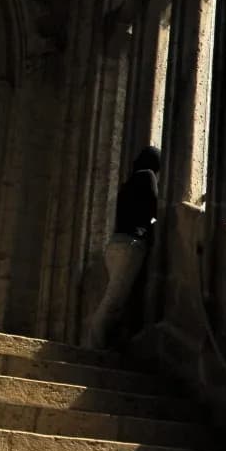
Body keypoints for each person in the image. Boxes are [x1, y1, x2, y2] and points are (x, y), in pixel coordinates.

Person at [84, 146, 162, 350]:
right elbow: (155, 207)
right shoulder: (148, 176)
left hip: (116, 244)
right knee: (114, 301)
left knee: (119, 300)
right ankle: (93, 347)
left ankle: (106, 344)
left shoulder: (129, 183)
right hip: (130, 245)